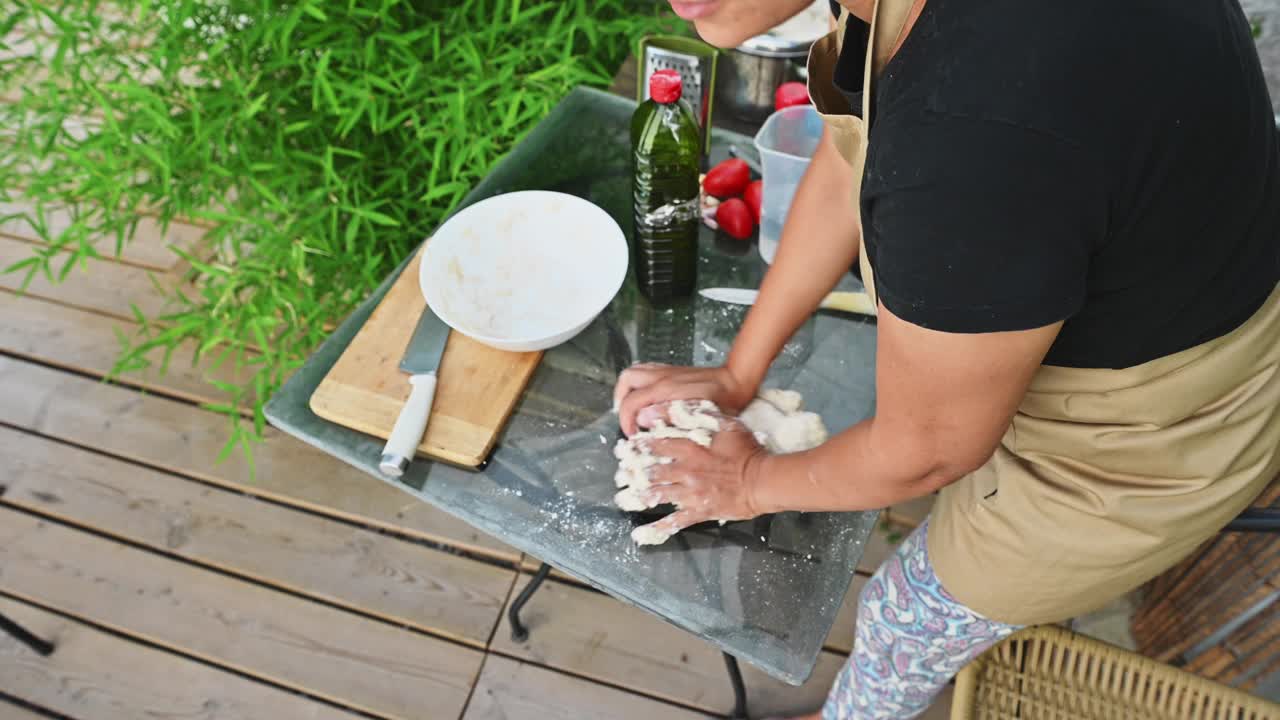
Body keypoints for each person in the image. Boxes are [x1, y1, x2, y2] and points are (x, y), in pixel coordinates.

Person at [613, 0, 1280, 718]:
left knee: (901, 616)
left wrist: (748, 481)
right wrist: (739, 372)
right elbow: (852, 154)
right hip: (1142, 282)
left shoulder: (975, 135)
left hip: (1151, 441)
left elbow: (928, 451)